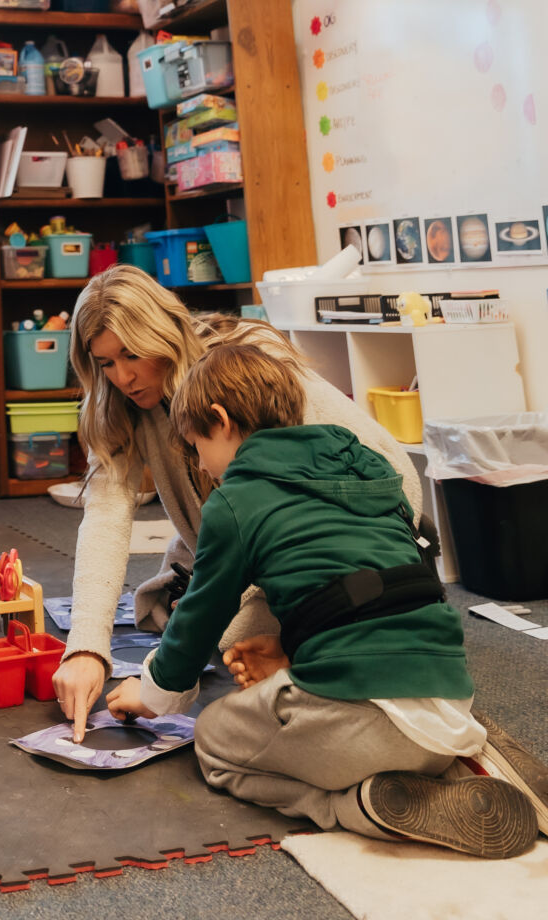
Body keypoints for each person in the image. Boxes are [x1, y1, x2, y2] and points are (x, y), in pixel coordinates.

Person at [103, 342, 537, 858]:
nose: (201, 465)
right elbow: (386, 585)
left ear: (219, 420)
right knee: (369, 705)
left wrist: (152, 694)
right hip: (449, 693)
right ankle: (468, 756)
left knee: (216, 737)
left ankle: (359, 803)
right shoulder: (370, 470)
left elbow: (199, 616)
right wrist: (294, 648)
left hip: (367, 728)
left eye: (196, 446)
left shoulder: (235, 500)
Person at [53, 266, 426, 739]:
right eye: (105, 362)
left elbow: (392, 477)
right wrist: (85, 649)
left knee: (220, 636)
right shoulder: (116, 403)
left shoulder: (247, 363)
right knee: (191, 621)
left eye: (132, 354)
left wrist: (156, 687)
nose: (123, 376)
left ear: (164, 335)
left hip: (347, 545)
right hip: (244, 540)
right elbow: (105, 519)